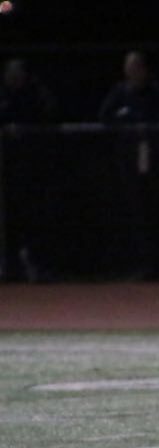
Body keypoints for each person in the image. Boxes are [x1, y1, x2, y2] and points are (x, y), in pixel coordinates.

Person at [98, 51, 159, 279]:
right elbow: (105, 116)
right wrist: (125, 117)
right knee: (132, 211)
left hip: (151, 160)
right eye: (129, 67)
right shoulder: (120, 91)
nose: (133, 71)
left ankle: (156, 265)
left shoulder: (154, 91)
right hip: (127, 160)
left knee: (153, 211)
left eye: (137, 67)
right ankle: (135, 263)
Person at [0, 58, 58, 282]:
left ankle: (38, 266)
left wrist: (25, 129)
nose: (12, 77)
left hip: (34, 172)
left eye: (16, 73)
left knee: (35, 220)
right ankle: (11, 267)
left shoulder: (36, 93)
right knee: (9, 222)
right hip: (8, 173)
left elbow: (49, 115)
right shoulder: (4, 95)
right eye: (9, 73)